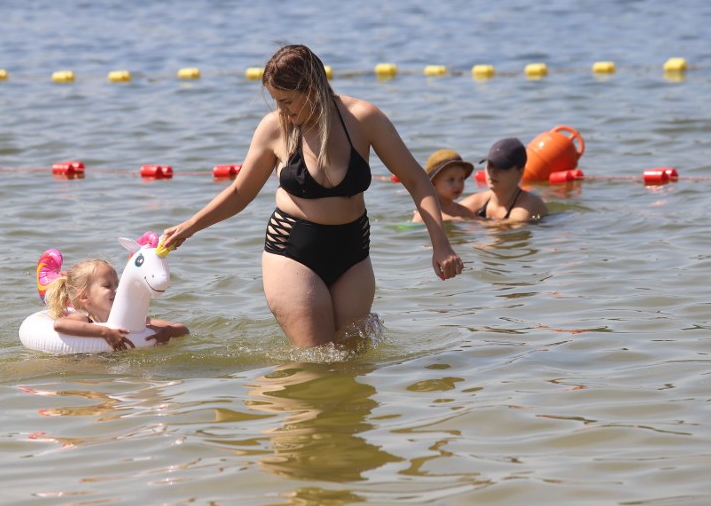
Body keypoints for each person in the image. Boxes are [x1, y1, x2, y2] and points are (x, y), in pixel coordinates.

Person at [160, 44, 464, 348]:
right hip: (293, 249)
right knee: (317, 360)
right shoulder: (274, 129)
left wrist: (441, 245)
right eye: (277, 101)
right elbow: (240, 192)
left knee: (352, 359)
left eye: (287, 101)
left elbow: (416, 180)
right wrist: (190, 226)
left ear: (312, 89)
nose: (282, 111)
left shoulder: (364, 119)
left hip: (353, 250)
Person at [44, 258, 189, 351]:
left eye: (117, 284)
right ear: (84, 297)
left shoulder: (134, 319)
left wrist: (168, 331)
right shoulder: (84, 320)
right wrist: (105, 332)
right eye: (108, 286)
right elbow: (59, 325)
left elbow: (183, 329)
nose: (117, 290)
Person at [459, 137, 548, 221]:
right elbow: (447, 212)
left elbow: (512, 227)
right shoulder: (481, 200)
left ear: (520, 172)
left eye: (501, 166)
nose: (492, 172)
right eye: (490, 165)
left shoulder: (529, 204)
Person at [412, 149, 475, 222]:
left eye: (461, 179)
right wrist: (453, 220)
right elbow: (422, 217)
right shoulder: (426, 211)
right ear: (434, 182)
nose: (458, 185)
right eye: (451, 180)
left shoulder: (465, 212)